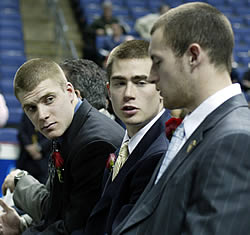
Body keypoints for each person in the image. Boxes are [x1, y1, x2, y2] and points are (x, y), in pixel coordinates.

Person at [112, 2, 250, 235]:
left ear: (193, 56)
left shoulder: (235, 140)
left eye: (157, 62)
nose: (153, 77)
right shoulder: (199, 127)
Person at [0, 58, 124, 234]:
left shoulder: (94, 144)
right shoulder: (70, 130)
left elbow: (75, 229)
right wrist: (22, 225)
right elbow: (57, 210)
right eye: (31, 108)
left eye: (49, 99)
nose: (42, 115)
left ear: (70, 92)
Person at [83, 39, 171, 235]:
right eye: (120, 83)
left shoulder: (161, 153)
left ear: (162, 87)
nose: (128, 94)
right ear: (108, 92)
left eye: (141, 82)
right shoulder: (125, 146)